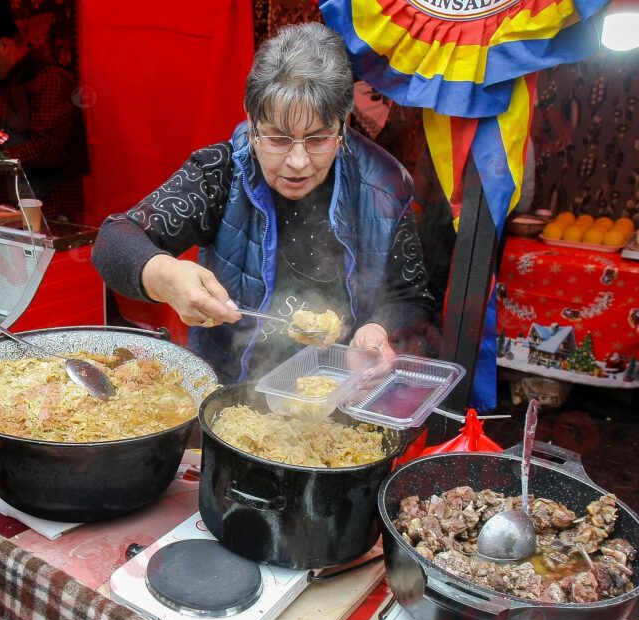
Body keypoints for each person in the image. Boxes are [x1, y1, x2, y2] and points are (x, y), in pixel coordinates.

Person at [93, 23, 437, 383]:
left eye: (319, 139)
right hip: (231, 390)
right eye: (278, 139)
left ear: (343, 122)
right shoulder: (222, 171)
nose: (298, 162)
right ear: (252, 119)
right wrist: (165, 276)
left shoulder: (382, 185)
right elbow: (114, 239)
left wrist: (381, 330)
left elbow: (412, 298)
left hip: (344, 391)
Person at [0, 0, 89, 223]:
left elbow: (45, 149)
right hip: (13, 204)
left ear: (3, 45)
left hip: (51, 209)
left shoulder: (50, 79)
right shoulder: (3, 83)